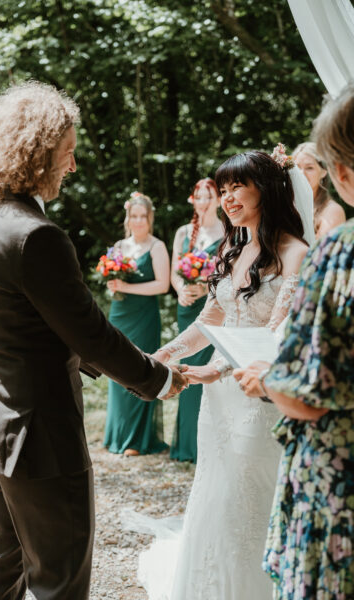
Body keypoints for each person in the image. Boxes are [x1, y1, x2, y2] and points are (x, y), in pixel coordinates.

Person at [0, 81, 187, 600]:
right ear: (38, 156)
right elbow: (91, 332)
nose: (73, 166)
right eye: (67, 154)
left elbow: (36, 328)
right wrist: (159, 378)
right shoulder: (37, 236)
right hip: (40, 438)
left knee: (3, 566)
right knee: (59, 580)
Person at [138, 149, 312, 600]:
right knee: (214, 494)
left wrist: (214, 369)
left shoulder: (296, 253)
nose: (228, 197)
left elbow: (275, 333)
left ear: (267, 191)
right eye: (225, 187)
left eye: (239, 186)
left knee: (251, 498)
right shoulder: (232, 247)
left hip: (258, 397)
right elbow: (207, 323)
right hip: (218, 400)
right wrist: (160, 356)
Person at [234, 85, 354, 600]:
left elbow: (305, 395)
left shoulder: (340, 254)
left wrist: (266, 378)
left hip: (339, 491)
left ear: (343, 173)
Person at [104, 192, 170, 457]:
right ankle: (117, 434)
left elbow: (162, 285)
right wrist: (114, 287)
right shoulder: (119, 246)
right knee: (115, 370)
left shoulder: (157, 247)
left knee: (140, 370)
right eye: (134, 216)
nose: (139, 221)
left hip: (144, 317)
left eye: (144, 216)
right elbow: (112, 281)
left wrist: (127, 286)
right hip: (120, 314)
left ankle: (137, 439)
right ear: (128, 218)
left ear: (150, 218)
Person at [169, 178, 224, 462]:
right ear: (193, 200)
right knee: (186, 367)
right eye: (199, 197)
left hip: (213, 305)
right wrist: (181, 291)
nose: (203, 202)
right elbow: (174, 272)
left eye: (209, 197)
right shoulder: (183, 232)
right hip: (187, 305)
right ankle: (186, 444)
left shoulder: (227, 230)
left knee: (207, 369)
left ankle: (208, 444)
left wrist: (205, 288)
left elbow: (230, 273)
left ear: (217, 200)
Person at [293, 141, 346, 238]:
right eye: (297, 167)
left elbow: (320, 251)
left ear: (323, 172)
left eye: (309, 168)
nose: (301, 173)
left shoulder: (332, 211)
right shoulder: (286, 205)